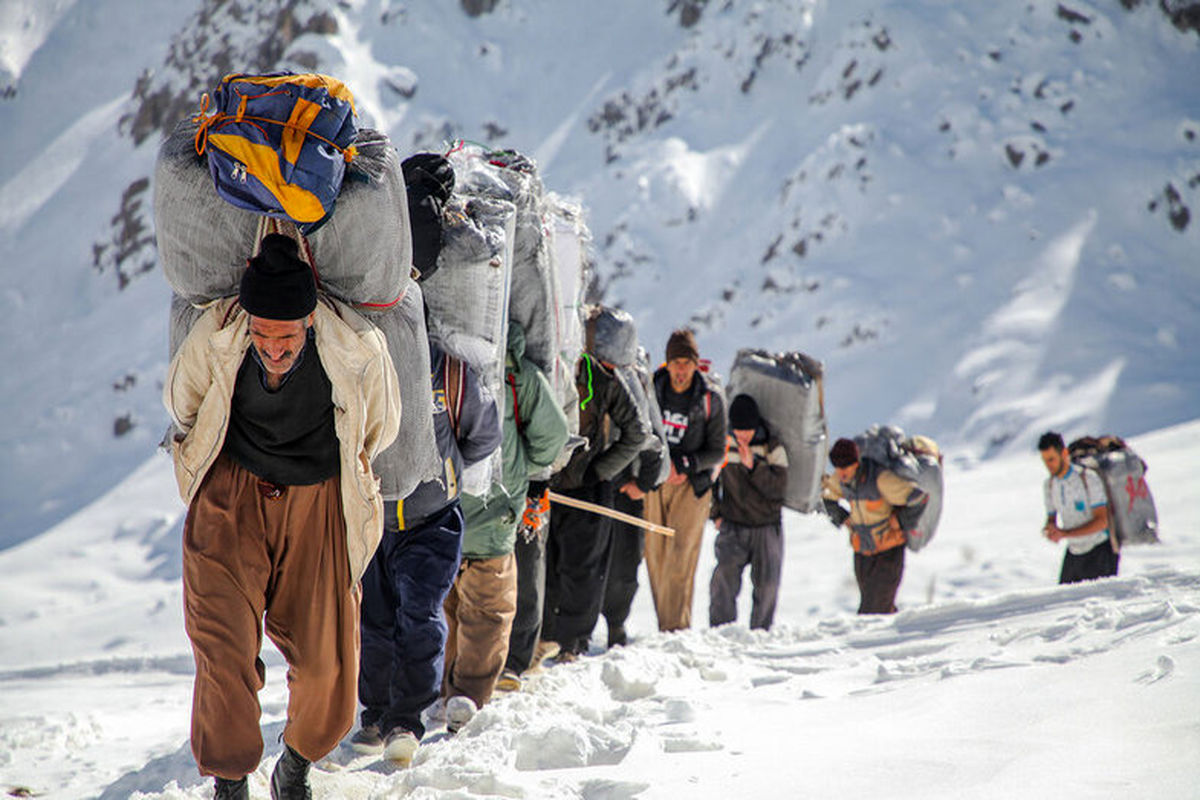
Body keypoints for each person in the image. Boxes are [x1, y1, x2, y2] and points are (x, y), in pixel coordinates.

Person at [163, 234, 401, 800]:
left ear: (311, 321)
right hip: (230, 497)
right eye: (263, 335)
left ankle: (294, 764)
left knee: (326, 661)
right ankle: (230, 778)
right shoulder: (220, 334)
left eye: (286, 336)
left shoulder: (357, 349)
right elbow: (184, 401)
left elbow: (381, 428)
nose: (273, 348)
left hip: (317, 503)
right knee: (222, 646)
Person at [351, 339, 501, 763]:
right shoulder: (365, 357)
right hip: (374, 517)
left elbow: (483, 434)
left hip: (433, 519)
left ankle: (406, 720)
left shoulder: (450, 372)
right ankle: (377, 714)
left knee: (419, 616)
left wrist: (444, 472)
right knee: (375, 619)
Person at [441, 321, 569, 729]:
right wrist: (526, 474)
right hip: (497, 511)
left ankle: (441, 690)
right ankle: (467, 696)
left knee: (447, 606)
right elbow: (553, 435)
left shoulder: (444, 369)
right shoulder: (520, 376)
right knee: (489, 611)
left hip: (441, 508)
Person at [544, 315, 650, 660]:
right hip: (550, 487)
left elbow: (637, 433)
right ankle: (552, 640)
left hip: (576, 488)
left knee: (578, 568)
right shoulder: (553, 368)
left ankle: (570, 642)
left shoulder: (600, 379)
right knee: (555, 566)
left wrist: (597, 472)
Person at [643, 329, 727, 632]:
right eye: (675, 362)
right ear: (667, 364)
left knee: (681, 557)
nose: (680, 370)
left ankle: (675, 629)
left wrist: (685, 465)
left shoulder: (710, 400)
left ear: (695, 364)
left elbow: (717, 450)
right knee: (655, 556)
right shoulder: (653, 389)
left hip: (692, 487)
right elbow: (643, 433)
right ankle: (665, 625)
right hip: (657, 482)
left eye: (685, 363)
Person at [708, 395, 789, 631]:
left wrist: (753, 466)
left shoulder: (772, 447)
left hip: (767, 526)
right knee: (723, 580)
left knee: (767, 586)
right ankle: (721, 632)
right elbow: (711, 483)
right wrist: (715, 513)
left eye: (748, 430)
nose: (743, 436)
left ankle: (760, 634)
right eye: (739, 430)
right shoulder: (724, 444)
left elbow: (778, 489)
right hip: (733, 525)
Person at [822, 437, 927, 615]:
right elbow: (825, 497)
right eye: (837, 468)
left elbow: (919, 498)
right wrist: (843, 518)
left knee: (872, 612)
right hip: (862, 554)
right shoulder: (841, 480)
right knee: (879, 609)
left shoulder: (881, 479)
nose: (841, 473)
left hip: (889, 552)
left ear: (856, 463)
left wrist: (900, 521)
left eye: (845, 467)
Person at [1038, 431, 1119, 583]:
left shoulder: (1088, 479)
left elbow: (1102, 522)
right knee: (1064, 605)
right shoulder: (1049, 485)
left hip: (1099, 551)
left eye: (1051, 459)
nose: (1048, 466)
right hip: (1073, 553)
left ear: (1064, 453)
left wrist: (1064, 533)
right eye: (1044, 461)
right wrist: (1050, 529)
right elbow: (1051, 518)